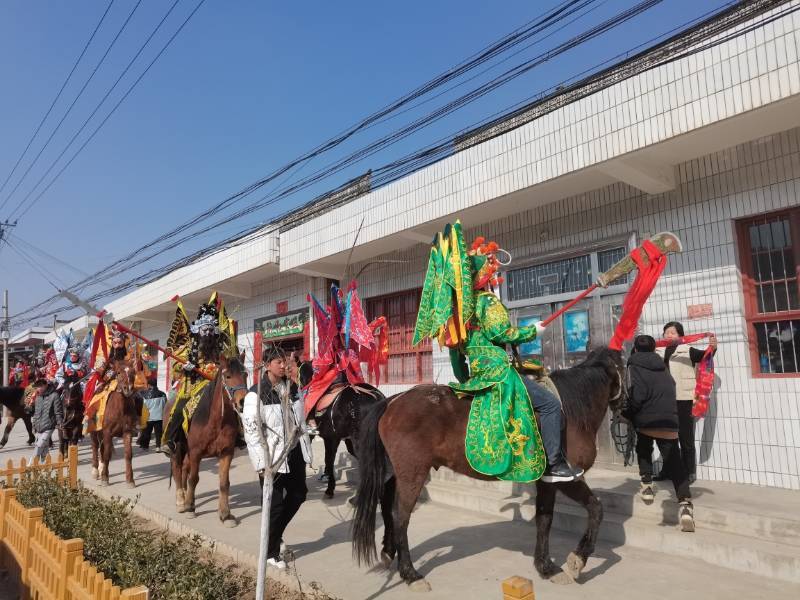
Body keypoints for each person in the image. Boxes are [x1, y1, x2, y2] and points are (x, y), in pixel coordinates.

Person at [414, 222, 582, 483]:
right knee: (550, 405)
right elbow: (501, 334)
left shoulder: (459, 315)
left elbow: (456, 356)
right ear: (485, 276)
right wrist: (531, 331)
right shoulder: (487, 302)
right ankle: (555, 465)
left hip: (478, 376)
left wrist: (465, 380)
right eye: (492, 273)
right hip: (501, 373)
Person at [242, 346, 312, 570]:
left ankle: (275, 535)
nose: (283, 366)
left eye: (285, 362)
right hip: (271, 457)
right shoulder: (256, 393)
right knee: (275, 506)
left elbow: (299, 420)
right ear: (267, 365)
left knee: (299, 494)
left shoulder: (292, 389)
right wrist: (262, 465)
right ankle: (271, 553)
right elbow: (252, 432)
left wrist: (307, 437)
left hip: (293, 451)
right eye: (278, 362)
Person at [624, 335, 694, 532]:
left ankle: (646, 485)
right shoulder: (663, 366)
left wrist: (627, 412)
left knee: (643, 448)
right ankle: (685, 504)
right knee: (675, 463)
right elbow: (671, 388)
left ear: (635, 349)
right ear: (654, 349)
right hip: (669, 420)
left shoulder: (633, 366)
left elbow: (638, 395)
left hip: (646, 420)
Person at [657, 321, 718, 484]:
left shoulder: (687, 350)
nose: (669, 335)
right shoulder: (658, 351)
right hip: (664, 400)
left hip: (683, 398)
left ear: (680, 336)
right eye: (666, 332)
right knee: (667, 438)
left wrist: (713, 347)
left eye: (673, 332)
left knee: (685, 437)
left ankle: (689, 472)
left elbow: (705, 356)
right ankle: (668, 470)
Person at [30, 378, 63, 463]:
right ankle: (46, 466)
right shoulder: (38, 397)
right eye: (37, 387)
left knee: (39, 445)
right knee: (44, 448)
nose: (39, 388)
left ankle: (30, 465)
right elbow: (36, 414)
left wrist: (60, 423)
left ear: (46, 385)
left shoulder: (55, 395)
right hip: (39, 427)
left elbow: (58, 411)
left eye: (41, 386)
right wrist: (34, 426)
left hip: (49, 426)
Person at [138, 379, 167, 451]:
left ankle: (144, 446)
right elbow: (165, 405)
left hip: (148, 417)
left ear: (149, 385)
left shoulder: (144, 394)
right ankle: (158, 447)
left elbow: (143, 406)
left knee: (146, 432)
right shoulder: (163, 394)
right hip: (159, 416)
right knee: (158, 433)